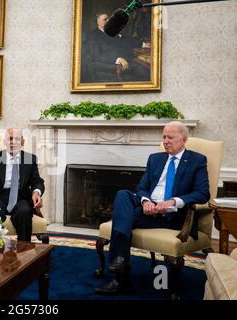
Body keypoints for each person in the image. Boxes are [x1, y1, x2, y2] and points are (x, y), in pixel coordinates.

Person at [95, 121, 210, 295]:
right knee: (123, 194)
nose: (165, 141)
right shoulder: (155, 158)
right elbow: (141, 188)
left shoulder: (197, 160)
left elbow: (202, 193)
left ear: (184, 139)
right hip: (148, 211)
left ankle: (120, 276)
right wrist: (145, 201)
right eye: (164, 137)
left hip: (174, 216)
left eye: (170, 137)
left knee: (122, 219)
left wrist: (173, 202)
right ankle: (121, 267)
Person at [83, 12, 150, 83]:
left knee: (148, 67)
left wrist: (143, 44)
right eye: (105, 19)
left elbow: (127, 39)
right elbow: (96, 56)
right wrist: (117, 59)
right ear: (98, 22)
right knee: (144, 73)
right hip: (114, 65)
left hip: (128, 59)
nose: (108, 21)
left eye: (108, 19)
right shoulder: (93, 36)